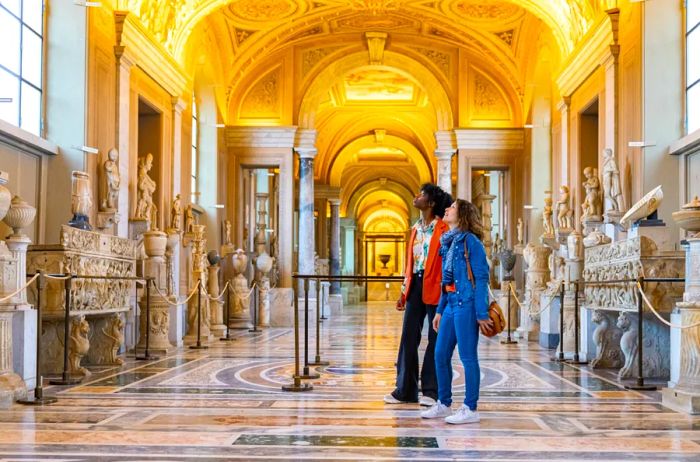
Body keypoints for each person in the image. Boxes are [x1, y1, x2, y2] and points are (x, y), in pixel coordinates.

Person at [421, 199, 492, 424]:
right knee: (440, 354)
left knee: (468, 357)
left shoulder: (471, 242)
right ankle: (443, 403)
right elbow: (446, 280)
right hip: (451, 304)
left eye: (452, 207)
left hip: (468, 305)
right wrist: (440, 310)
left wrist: (481, 313)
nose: (447, 209)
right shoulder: (449, 242)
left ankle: (470, 408)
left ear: (462, 214)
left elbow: (481, 278)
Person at [384, 183, 452, 407]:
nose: (417, 196)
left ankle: (431, 391)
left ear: (431, 203)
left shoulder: (444, 229)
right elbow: (410, 264)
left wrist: (448, 290)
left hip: (437, 285)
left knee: (435, 338)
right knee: (408, 336)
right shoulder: (415, 228)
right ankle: (405, 390)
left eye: (422, 194)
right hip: (416, 284)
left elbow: (448, 262)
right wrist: (404, 291)